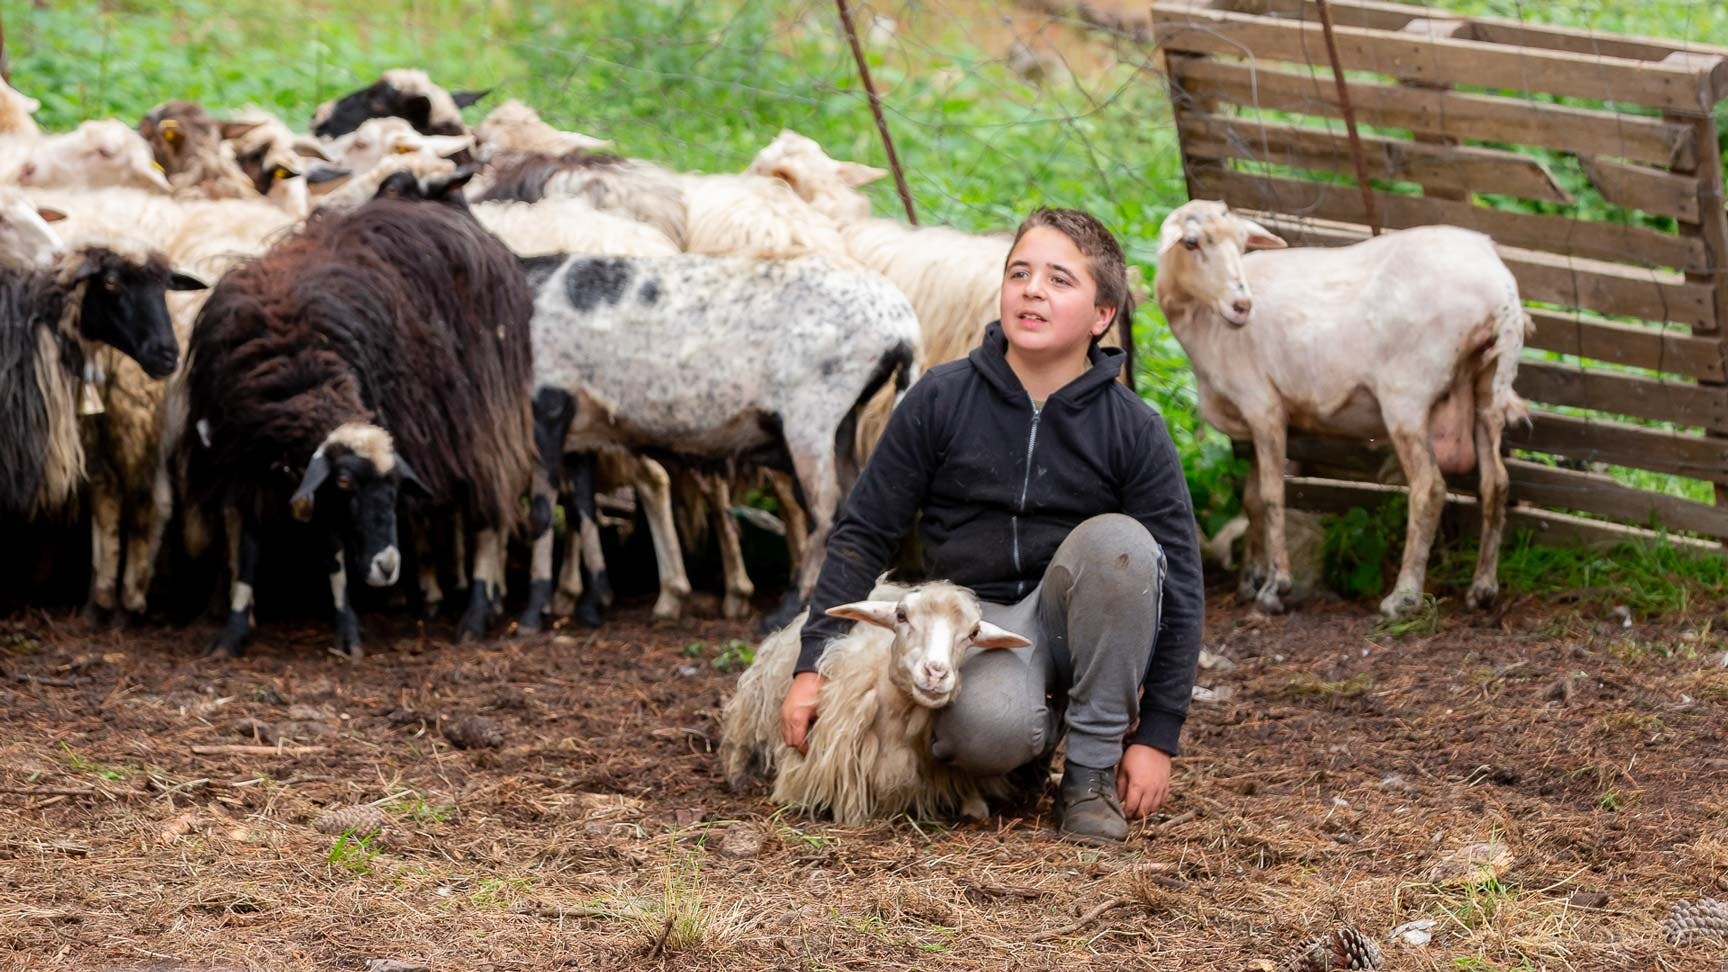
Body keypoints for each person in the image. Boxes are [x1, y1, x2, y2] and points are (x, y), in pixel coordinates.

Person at [780, 207, 1204, 843]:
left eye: (1060, 280)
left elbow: (1183, 578)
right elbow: (865, 530)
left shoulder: (1131, 428)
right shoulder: (941, 398)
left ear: (1102, 317)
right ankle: (1030, 737)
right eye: (1019, 272)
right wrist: (812, 664)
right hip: (976, 626)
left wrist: (1158, 735)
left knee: (1123, 545)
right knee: (982, 736)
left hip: (1074, 617)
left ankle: (1089, 775)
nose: (1032, 289)